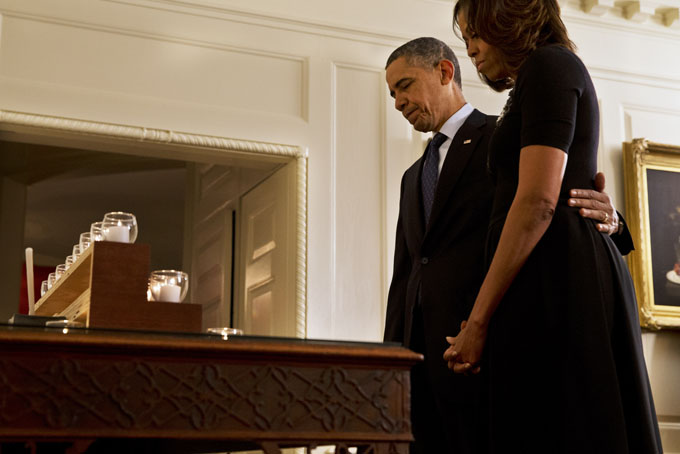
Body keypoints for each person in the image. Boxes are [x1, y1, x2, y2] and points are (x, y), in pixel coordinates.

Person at [383, 37, 629, 454]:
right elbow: (407, 275)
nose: (397, 101)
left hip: (489, 350)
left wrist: (615, 222)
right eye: (392, 94)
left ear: (445, 72)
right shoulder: (412, 176)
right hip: (423, 369)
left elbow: (555, 202)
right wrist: (391, 365)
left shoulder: (503, 138)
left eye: (404, 85)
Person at [444, 1, 662, 452]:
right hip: (547, 273)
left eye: (475, 33)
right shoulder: (541, 76)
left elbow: (539, 201)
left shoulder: (550, 64)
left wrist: (478, 322)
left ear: (505, 18)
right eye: (465, 38)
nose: (471, 49)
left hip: (557, 280)